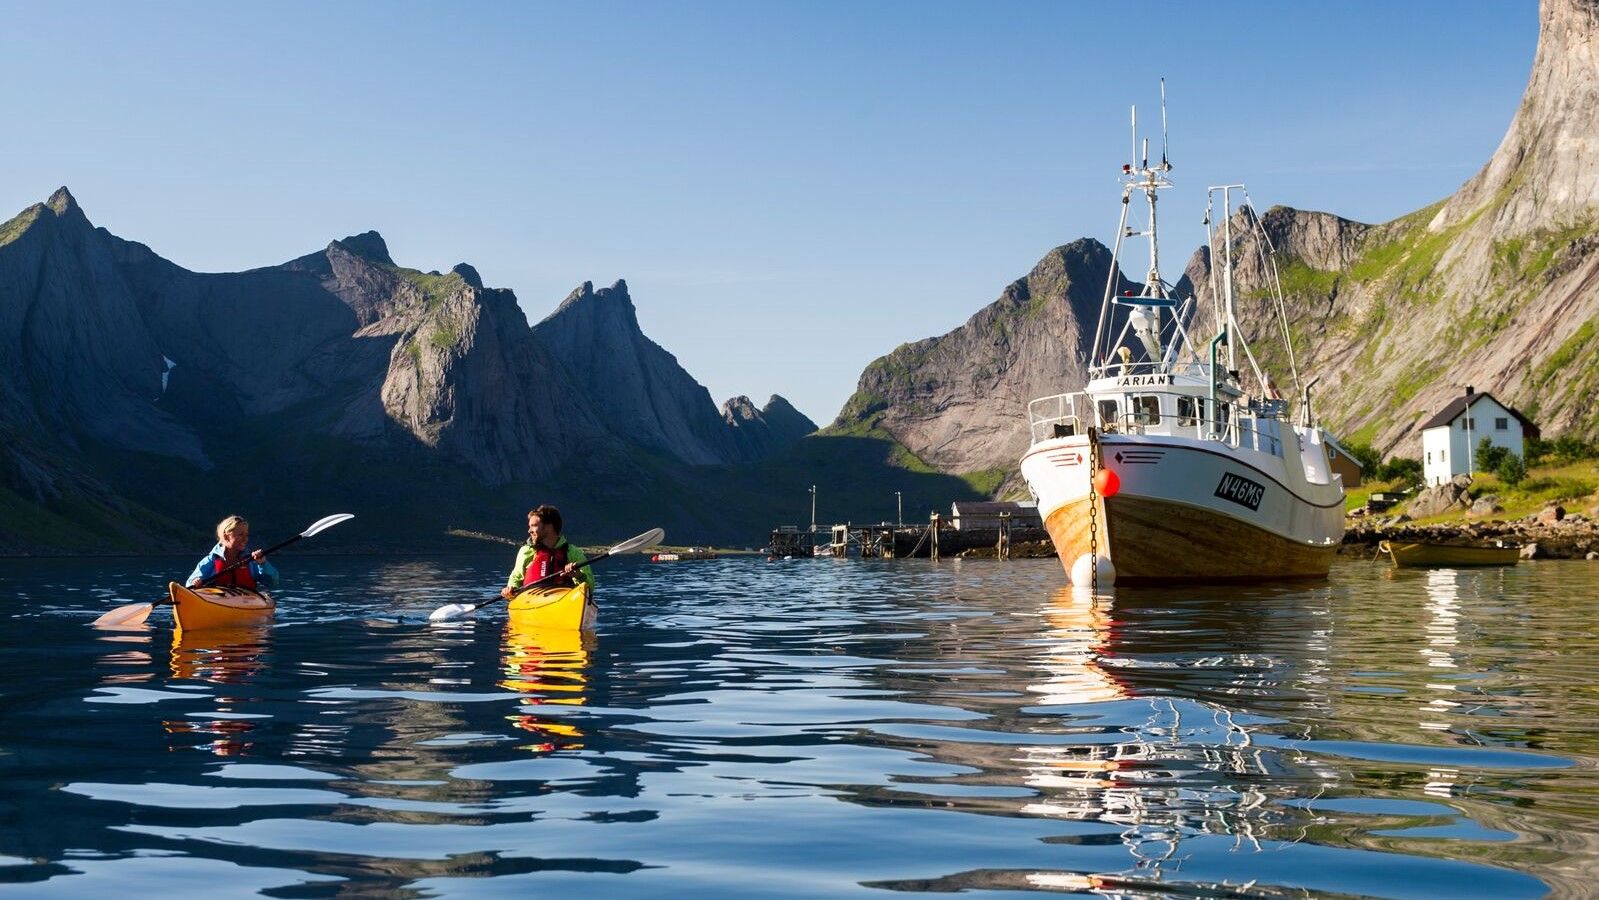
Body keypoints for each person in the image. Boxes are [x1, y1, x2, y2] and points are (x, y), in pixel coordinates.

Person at [501, 505, 593, 600]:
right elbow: (515, 578)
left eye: (534, 526)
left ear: (549, 526)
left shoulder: (573, 552)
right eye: (530, 526)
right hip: (531, 601)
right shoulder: (526, 551)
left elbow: (590, 587)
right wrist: (510, 590)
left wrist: (578, 576)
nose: (529, 531)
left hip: (563, 599)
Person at [187, 515, 281, 591]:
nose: (245, 539)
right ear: (226, 536)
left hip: (247, 600)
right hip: (218, 600)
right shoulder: (210, 561)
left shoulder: (252, 561)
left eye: (246, 535)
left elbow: (273, 583)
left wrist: (263, 564)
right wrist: (194, 582)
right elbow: (190, 582)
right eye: (240, 535)